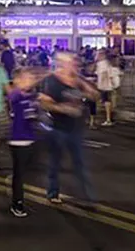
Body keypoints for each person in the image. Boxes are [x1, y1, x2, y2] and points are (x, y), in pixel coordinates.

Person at [38, 51, 98, 205]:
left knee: (80, 163)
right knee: (55, 162)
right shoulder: (52, 81)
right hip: (57, 128)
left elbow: (94, 95)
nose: (76, 65)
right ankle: (53, 192)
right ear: (62, 64)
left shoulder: (77, 80)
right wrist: (64, 109)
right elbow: (45, 103)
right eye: (72, 62)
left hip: (75, 128)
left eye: (76, 62)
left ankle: (88, 197)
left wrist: (88, 90)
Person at [8, 68, 42, 217]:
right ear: (18, 80)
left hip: (30, 139)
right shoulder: (16, 95)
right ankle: (17, 204)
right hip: (18, 140)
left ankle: (18, 197)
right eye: (27, 78)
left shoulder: (31, 96)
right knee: (19, 175)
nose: (31, 81)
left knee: (28, 172)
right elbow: (15, 97)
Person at [95, 51, 115, 126]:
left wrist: (101, 85)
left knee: (106, 102)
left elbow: (104, 74)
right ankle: (109, 118)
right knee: (107, 102)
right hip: (107, 86)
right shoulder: (107, 63)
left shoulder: (102, 64)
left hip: (104, 86)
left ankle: (108, 119)